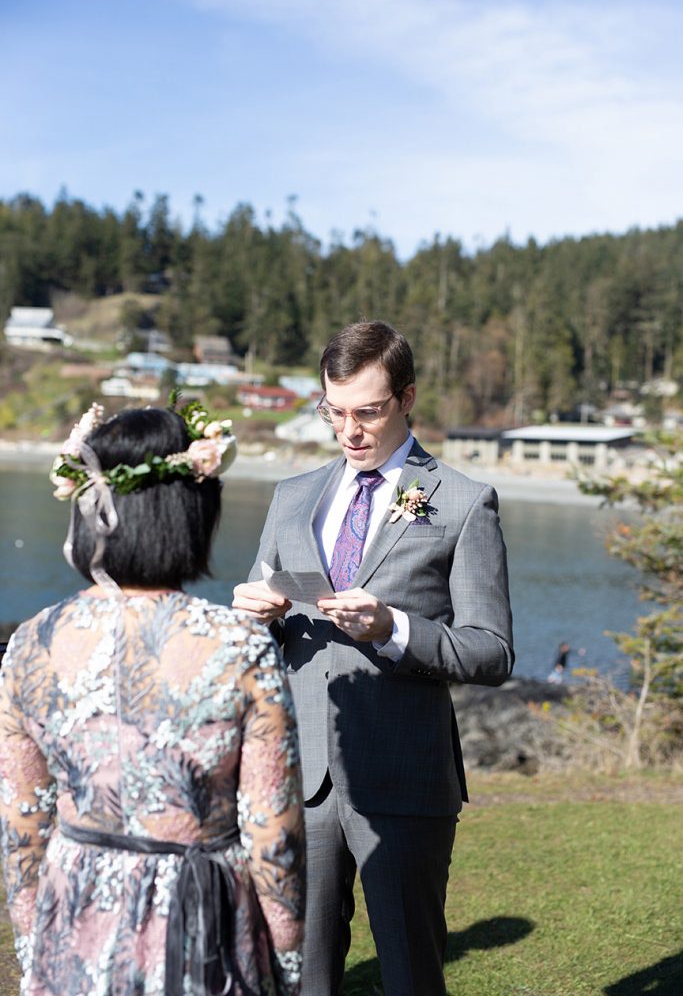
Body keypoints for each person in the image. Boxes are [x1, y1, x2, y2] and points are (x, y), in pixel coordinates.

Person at [233, 321, 514, 996]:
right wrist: (252, 618)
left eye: (367, 412)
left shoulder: (462, 501)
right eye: (334, 413)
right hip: (300, 777)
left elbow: (492, 651)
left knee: (410, 977)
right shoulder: (291, 496)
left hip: (404, 779)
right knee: (300, 977)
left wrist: (393, 628)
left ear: (406, 398)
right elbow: (258, 641)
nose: (349, 431)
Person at [0, 398, 305, 996]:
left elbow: (23, 826)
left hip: (75, 916)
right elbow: (273, 831)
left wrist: (34, 946)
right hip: (202, 922)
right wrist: (287, 961)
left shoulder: (31, 644)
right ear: (192, 514)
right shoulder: (240, 647)